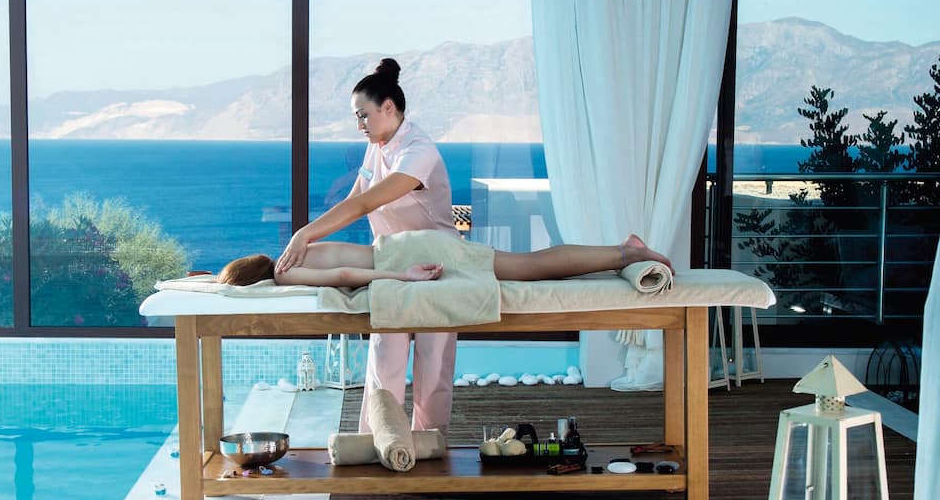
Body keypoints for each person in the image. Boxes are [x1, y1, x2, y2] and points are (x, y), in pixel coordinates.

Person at [273, 57, 458, 436]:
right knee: (384, 360)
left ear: (388, 108)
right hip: (393, 260)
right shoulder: (377, 145)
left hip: (437, 261)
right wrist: (312, 238)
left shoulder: (419, 151)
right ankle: (377, 440)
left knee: (433, 365)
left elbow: (365, 204)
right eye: (356, 117)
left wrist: (304, 234)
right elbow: (355, 200)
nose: (359, 125)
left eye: (363, 116)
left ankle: (429, 444)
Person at [217, 232, 673, 289]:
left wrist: (401, 275)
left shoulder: (287, 273)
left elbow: (345, 274)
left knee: (530, 268)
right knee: (528, 264)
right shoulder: (292, 251)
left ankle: (626, 252)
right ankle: (622, 251)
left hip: (413, 254)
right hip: (412, 242)